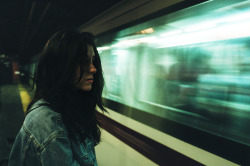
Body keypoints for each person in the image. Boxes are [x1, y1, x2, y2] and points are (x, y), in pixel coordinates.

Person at [8, 29, 106, 166]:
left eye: (93, 60)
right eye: (83, 61)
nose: (93, 68)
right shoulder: (48, 122)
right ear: (62, 66)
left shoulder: (71, 111)